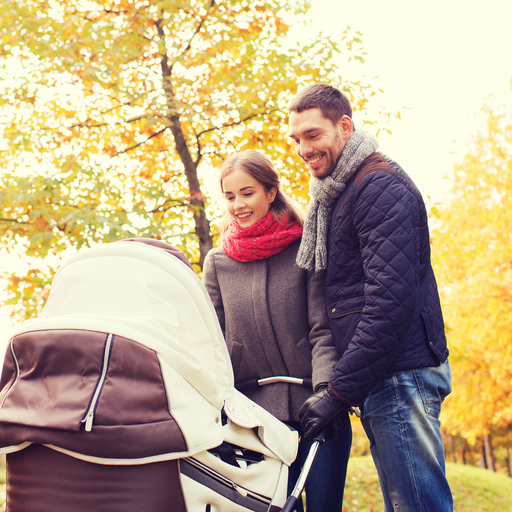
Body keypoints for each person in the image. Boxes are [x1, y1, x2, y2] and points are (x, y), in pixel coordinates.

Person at [288, 83, 453, 512]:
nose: (304, 149)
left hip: (402, 374)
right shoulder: (342, 192)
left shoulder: (377, 187)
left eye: (313, 135)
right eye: (297, 139)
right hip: (385, 375)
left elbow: (389, 303)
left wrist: (339, 392)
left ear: (344, 126)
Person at [203, 150, 352, 512]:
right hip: (249, 419)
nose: (238, 204)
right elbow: (211, 343)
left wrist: (326, 395)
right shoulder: (218, 263)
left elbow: (322, 329)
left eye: (247, 192)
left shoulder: (305, 248)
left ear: (271, 192)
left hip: (314, 410)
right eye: (230, 196)